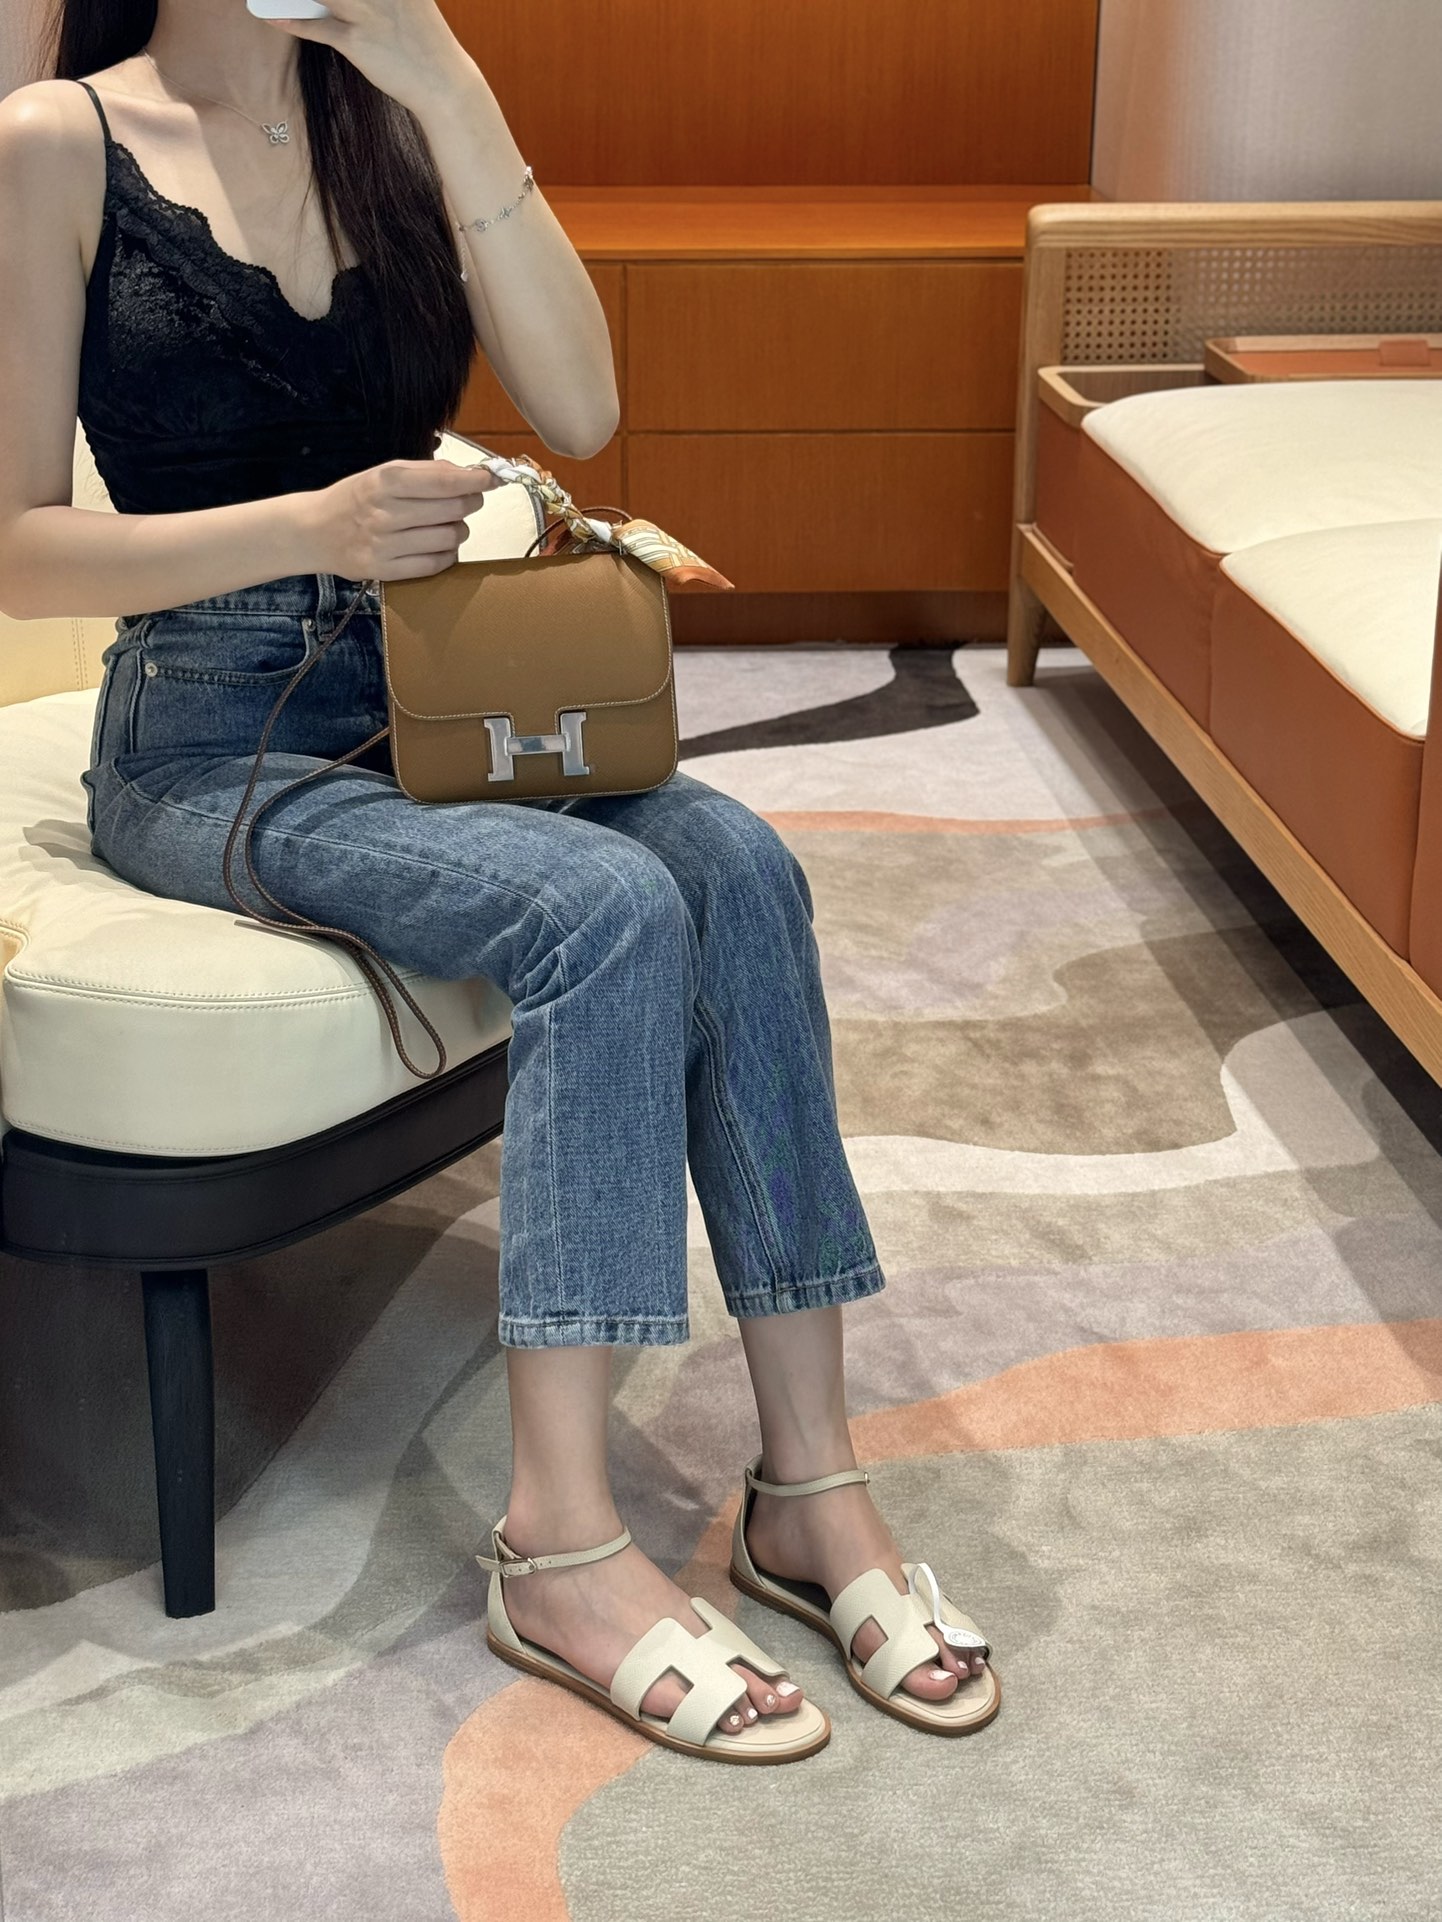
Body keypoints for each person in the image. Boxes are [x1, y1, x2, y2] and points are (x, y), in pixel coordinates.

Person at [0, 0, 996, 1761]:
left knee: (737, 862)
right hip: (209, 734)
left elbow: (586, 406)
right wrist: (306, 529)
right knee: (598, 906)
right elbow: (17, 547)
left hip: (439, 687)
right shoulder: (58, 144)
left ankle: (808, 1483)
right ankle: (559, 1543)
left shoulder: (393, 117)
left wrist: (446, 79)